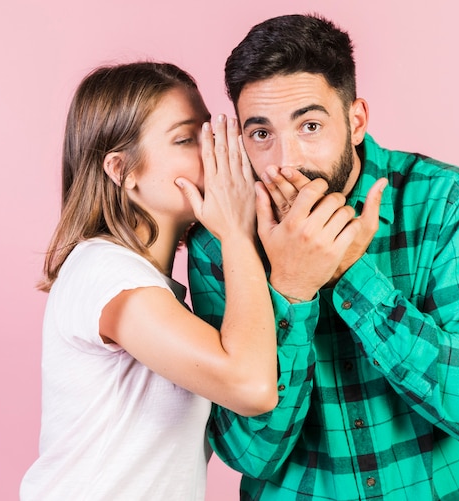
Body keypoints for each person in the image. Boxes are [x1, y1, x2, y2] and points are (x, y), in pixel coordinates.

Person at [187, 14, 459, 501]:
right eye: (261, 134)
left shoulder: (446, 198)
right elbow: (248, 453)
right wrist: (291, 292)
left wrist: (349, 273)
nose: (284, 159)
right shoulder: (220, 241)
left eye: (310, 125)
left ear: (356, 120)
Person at [20, 61, 279, 500]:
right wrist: (235, 230)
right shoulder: (105, 271)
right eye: (185, 138)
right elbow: (251, 386)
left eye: (208, 132)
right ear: (122, 170)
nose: (214, 151)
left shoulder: (146, 282)